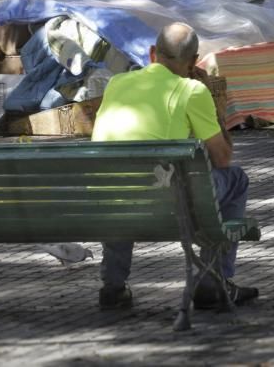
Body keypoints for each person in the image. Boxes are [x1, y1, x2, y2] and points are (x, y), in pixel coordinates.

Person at [91, 22, 258, 310]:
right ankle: (212, 280)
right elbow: (222, 158)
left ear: (153, 53)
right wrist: (217, 113)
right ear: (194, 62)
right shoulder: (192, 90)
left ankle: (113, 286)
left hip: (112, 201)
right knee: (235, 179)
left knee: (121, 183)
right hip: (169, 204)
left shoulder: (117, 84)